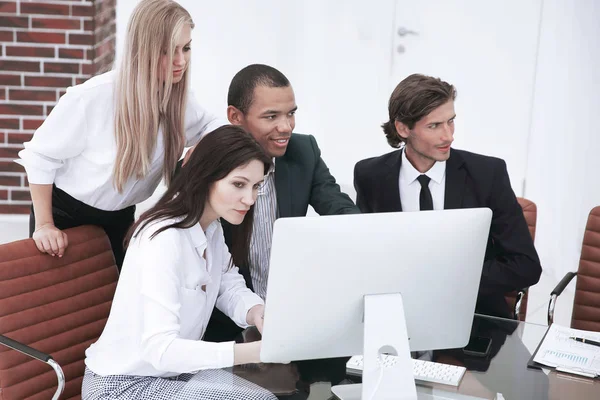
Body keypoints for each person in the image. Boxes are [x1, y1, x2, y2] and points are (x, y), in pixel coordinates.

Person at [16, 0, 223, 268]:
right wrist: (44, 225)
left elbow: (213, 125)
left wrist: (203, 145)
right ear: (143, 49)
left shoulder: (180, 103)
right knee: (60, 305)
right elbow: (39, 157)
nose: (180, 61)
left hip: (120, 219)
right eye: (167, 51)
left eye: (186, 48)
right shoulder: (91, 98)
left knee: (115, 303)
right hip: (63, 214)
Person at [82, 125, 277, 400]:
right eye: (239, 184)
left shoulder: (211, 227)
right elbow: (160, 349)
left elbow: (227, 286)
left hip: (173, 374)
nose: (250, 199)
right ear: (206, 176)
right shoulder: (162, 238)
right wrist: (248, 353)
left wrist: (257, 311)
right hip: (123, 385)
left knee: (265, 397)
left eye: (256, 186)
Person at [353, 73, 542, 318]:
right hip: (397, 314)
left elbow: (525, 265)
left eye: (450, 121)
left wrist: (446, 282)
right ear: (402, 128)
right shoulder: (370, 175)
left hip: (471, 317)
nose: (448, 136)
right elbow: (366, 255)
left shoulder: (488, 174)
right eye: (434, 126)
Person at [196, 64, 360, 342]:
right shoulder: (205, 164)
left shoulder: (303, 151)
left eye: (291, 114)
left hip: (293, 317)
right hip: (225, 325)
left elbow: (339, 208)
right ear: (235, 116)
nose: (286, 127)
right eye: (271, 116)